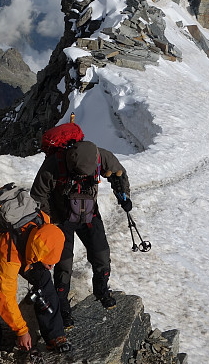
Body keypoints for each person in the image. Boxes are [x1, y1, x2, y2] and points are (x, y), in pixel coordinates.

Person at [31, 139, 132, 327]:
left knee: (101, 252)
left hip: (89, 213)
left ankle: (101, 289)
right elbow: (38, 195)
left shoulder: (101, 157)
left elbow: (119, 174)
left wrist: (123, 195)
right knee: (64, 264)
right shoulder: (54, 164)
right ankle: (62, 307)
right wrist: (50, 219)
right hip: (61, 218)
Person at [0, 217, 71, 353]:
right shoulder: (10, 257)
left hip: (26, 249)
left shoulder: (42, 224)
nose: (51, 267)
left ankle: (55, 336)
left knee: (44, 281)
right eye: (48, 261)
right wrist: (22, 331)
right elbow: (4, 297)